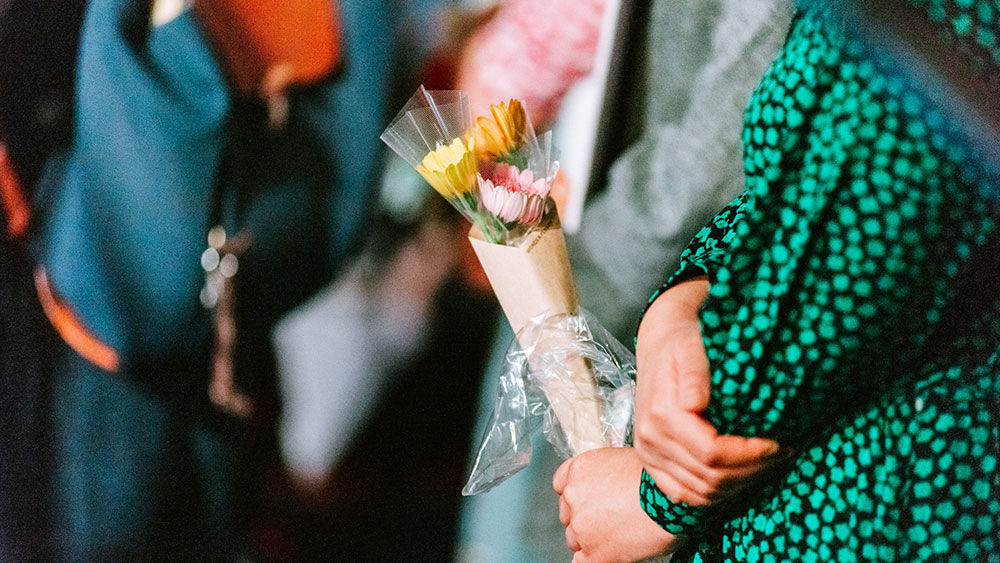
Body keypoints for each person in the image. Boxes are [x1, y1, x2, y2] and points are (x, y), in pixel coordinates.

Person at [554, 1, 1000, 561]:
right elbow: (788, 184)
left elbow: (876, 210)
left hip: (896, 494)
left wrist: (657, 497)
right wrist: (682, 300)